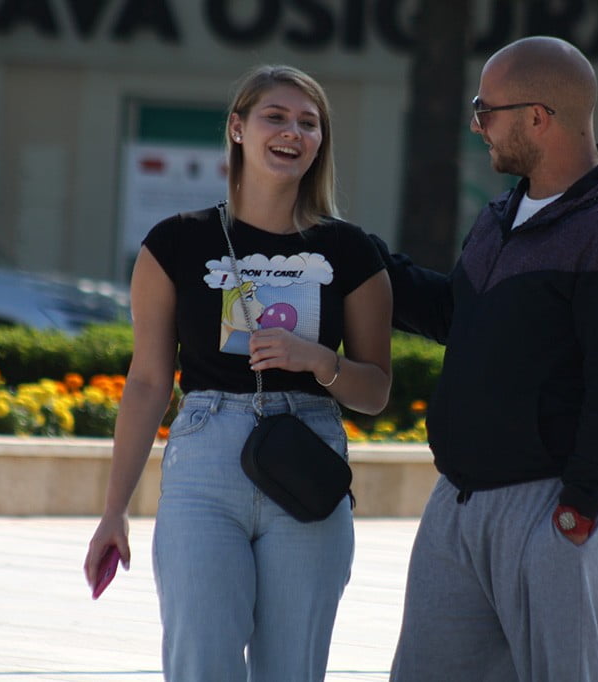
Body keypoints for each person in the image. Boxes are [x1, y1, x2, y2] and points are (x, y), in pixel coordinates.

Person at [370, 36, 598, 681]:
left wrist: (577, 515)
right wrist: (359, 259)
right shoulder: (501, 215)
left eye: (485, 110)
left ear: (538, 116)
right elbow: (459, 318)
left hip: (556, 504)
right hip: (460, 501)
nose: (476, 125)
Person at [84, 64, 392, 681]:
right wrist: (114, 511)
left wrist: (319, 361)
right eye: (275, 117)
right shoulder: (175, 242)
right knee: (201, 661)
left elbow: (376, 390)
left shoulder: (352, 251)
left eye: (309, 123)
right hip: (205, 462)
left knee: (292, 671)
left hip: (306, 460)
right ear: (237, 128)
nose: (293, 132)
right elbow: (147, 382)